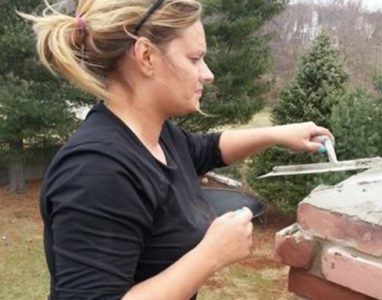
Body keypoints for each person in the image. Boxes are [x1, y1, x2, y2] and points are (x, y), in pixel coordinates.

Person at [20, 0, 333, 299]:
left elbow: (209, 149)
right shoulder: (98, 171)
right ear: (146, 57)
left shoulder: (159, 137)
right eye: (195, 58)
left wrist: (279, 134)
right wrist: (210, 254)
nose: (207, 74)